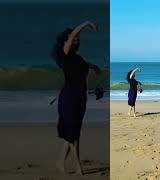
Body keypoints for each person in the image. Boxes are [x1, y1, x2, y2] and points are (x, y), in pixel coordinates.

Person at [51, 21, 101, 175]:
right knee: (73, 133)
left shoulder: (79, 59)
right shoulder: (64, 56)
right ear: (66, 42)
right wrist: (87, 24)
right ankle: (78, 166)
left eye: (78, 40)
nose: (76, 41)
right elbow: (73, 34)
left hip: (80, 98)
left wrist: (94, 67)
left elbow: (85, 66)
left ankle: (60, 163)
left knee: (74, 132)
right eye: (74, 39)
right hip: (69, 98)